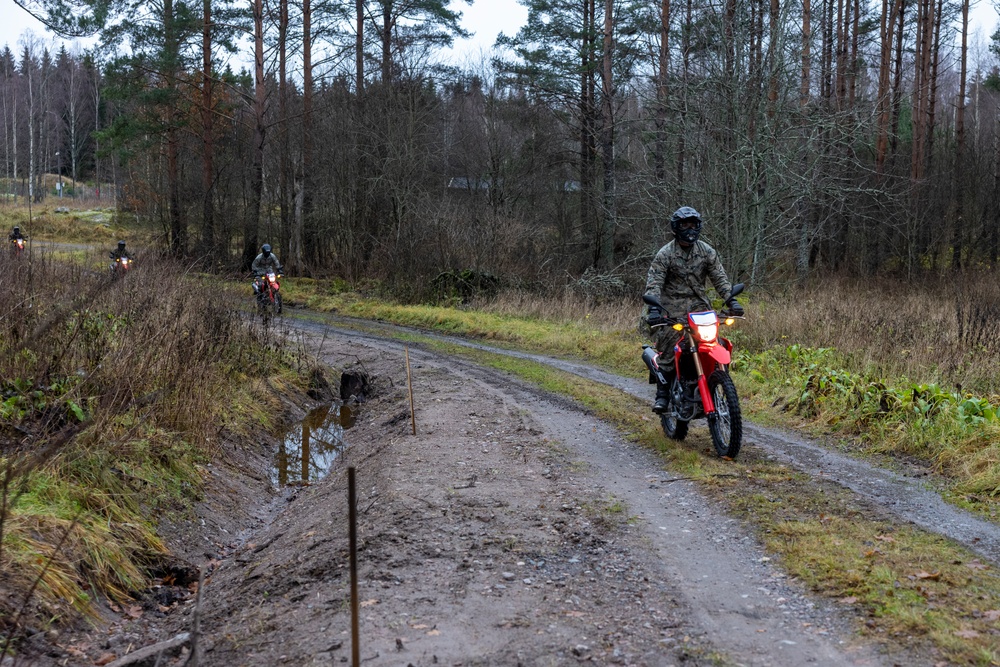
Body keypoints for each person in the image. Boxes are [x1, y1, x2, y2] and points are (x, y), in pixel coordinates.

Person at [643, 206, 744, 413]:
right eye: (684, 224)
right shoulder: (665, 254)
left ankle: (717, 379)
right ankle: (663, 394)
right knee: (671, 344)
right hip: (671, 308)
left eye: (693, 224)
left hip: (699, 307)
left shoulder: (706, 251)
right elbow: (654, 283)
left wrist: (731, 300)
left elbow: (720, 279)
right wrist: (654, 309)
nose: (689, 229)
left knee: (714, 340)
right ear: (676, 227)